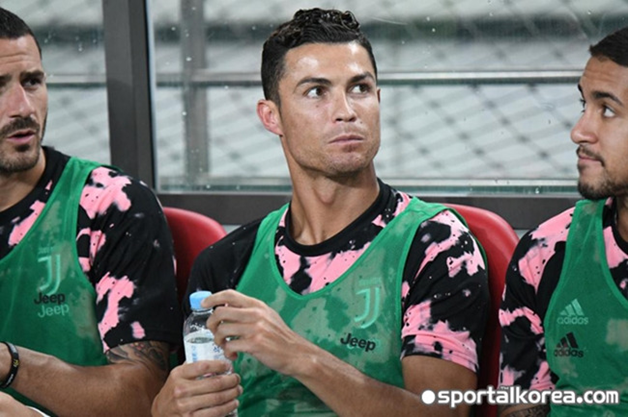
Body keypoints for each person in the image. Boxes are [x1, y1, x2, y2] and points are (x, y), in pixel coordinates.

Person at [152, 8, 489, 417]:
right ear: (271, 116)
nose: (346, 111)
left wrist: (300, 356)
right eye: (316, 92)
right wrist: (165, 410)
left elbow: (443, 413)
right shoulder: (225, 264)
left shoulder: (436, 244)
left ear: (378, 100)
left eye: (360, 88)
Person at [0, 7, 181, 417]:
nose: (22, 107)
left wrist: (10, 364)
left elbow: (142, 399)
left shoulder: (111, 204)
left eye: (32, 81)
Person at [498, 27, 628, 417]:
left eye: (607, 109)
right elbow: (521, 406)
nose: (578, 132)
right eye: (584, 104)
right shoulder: (546, 251)